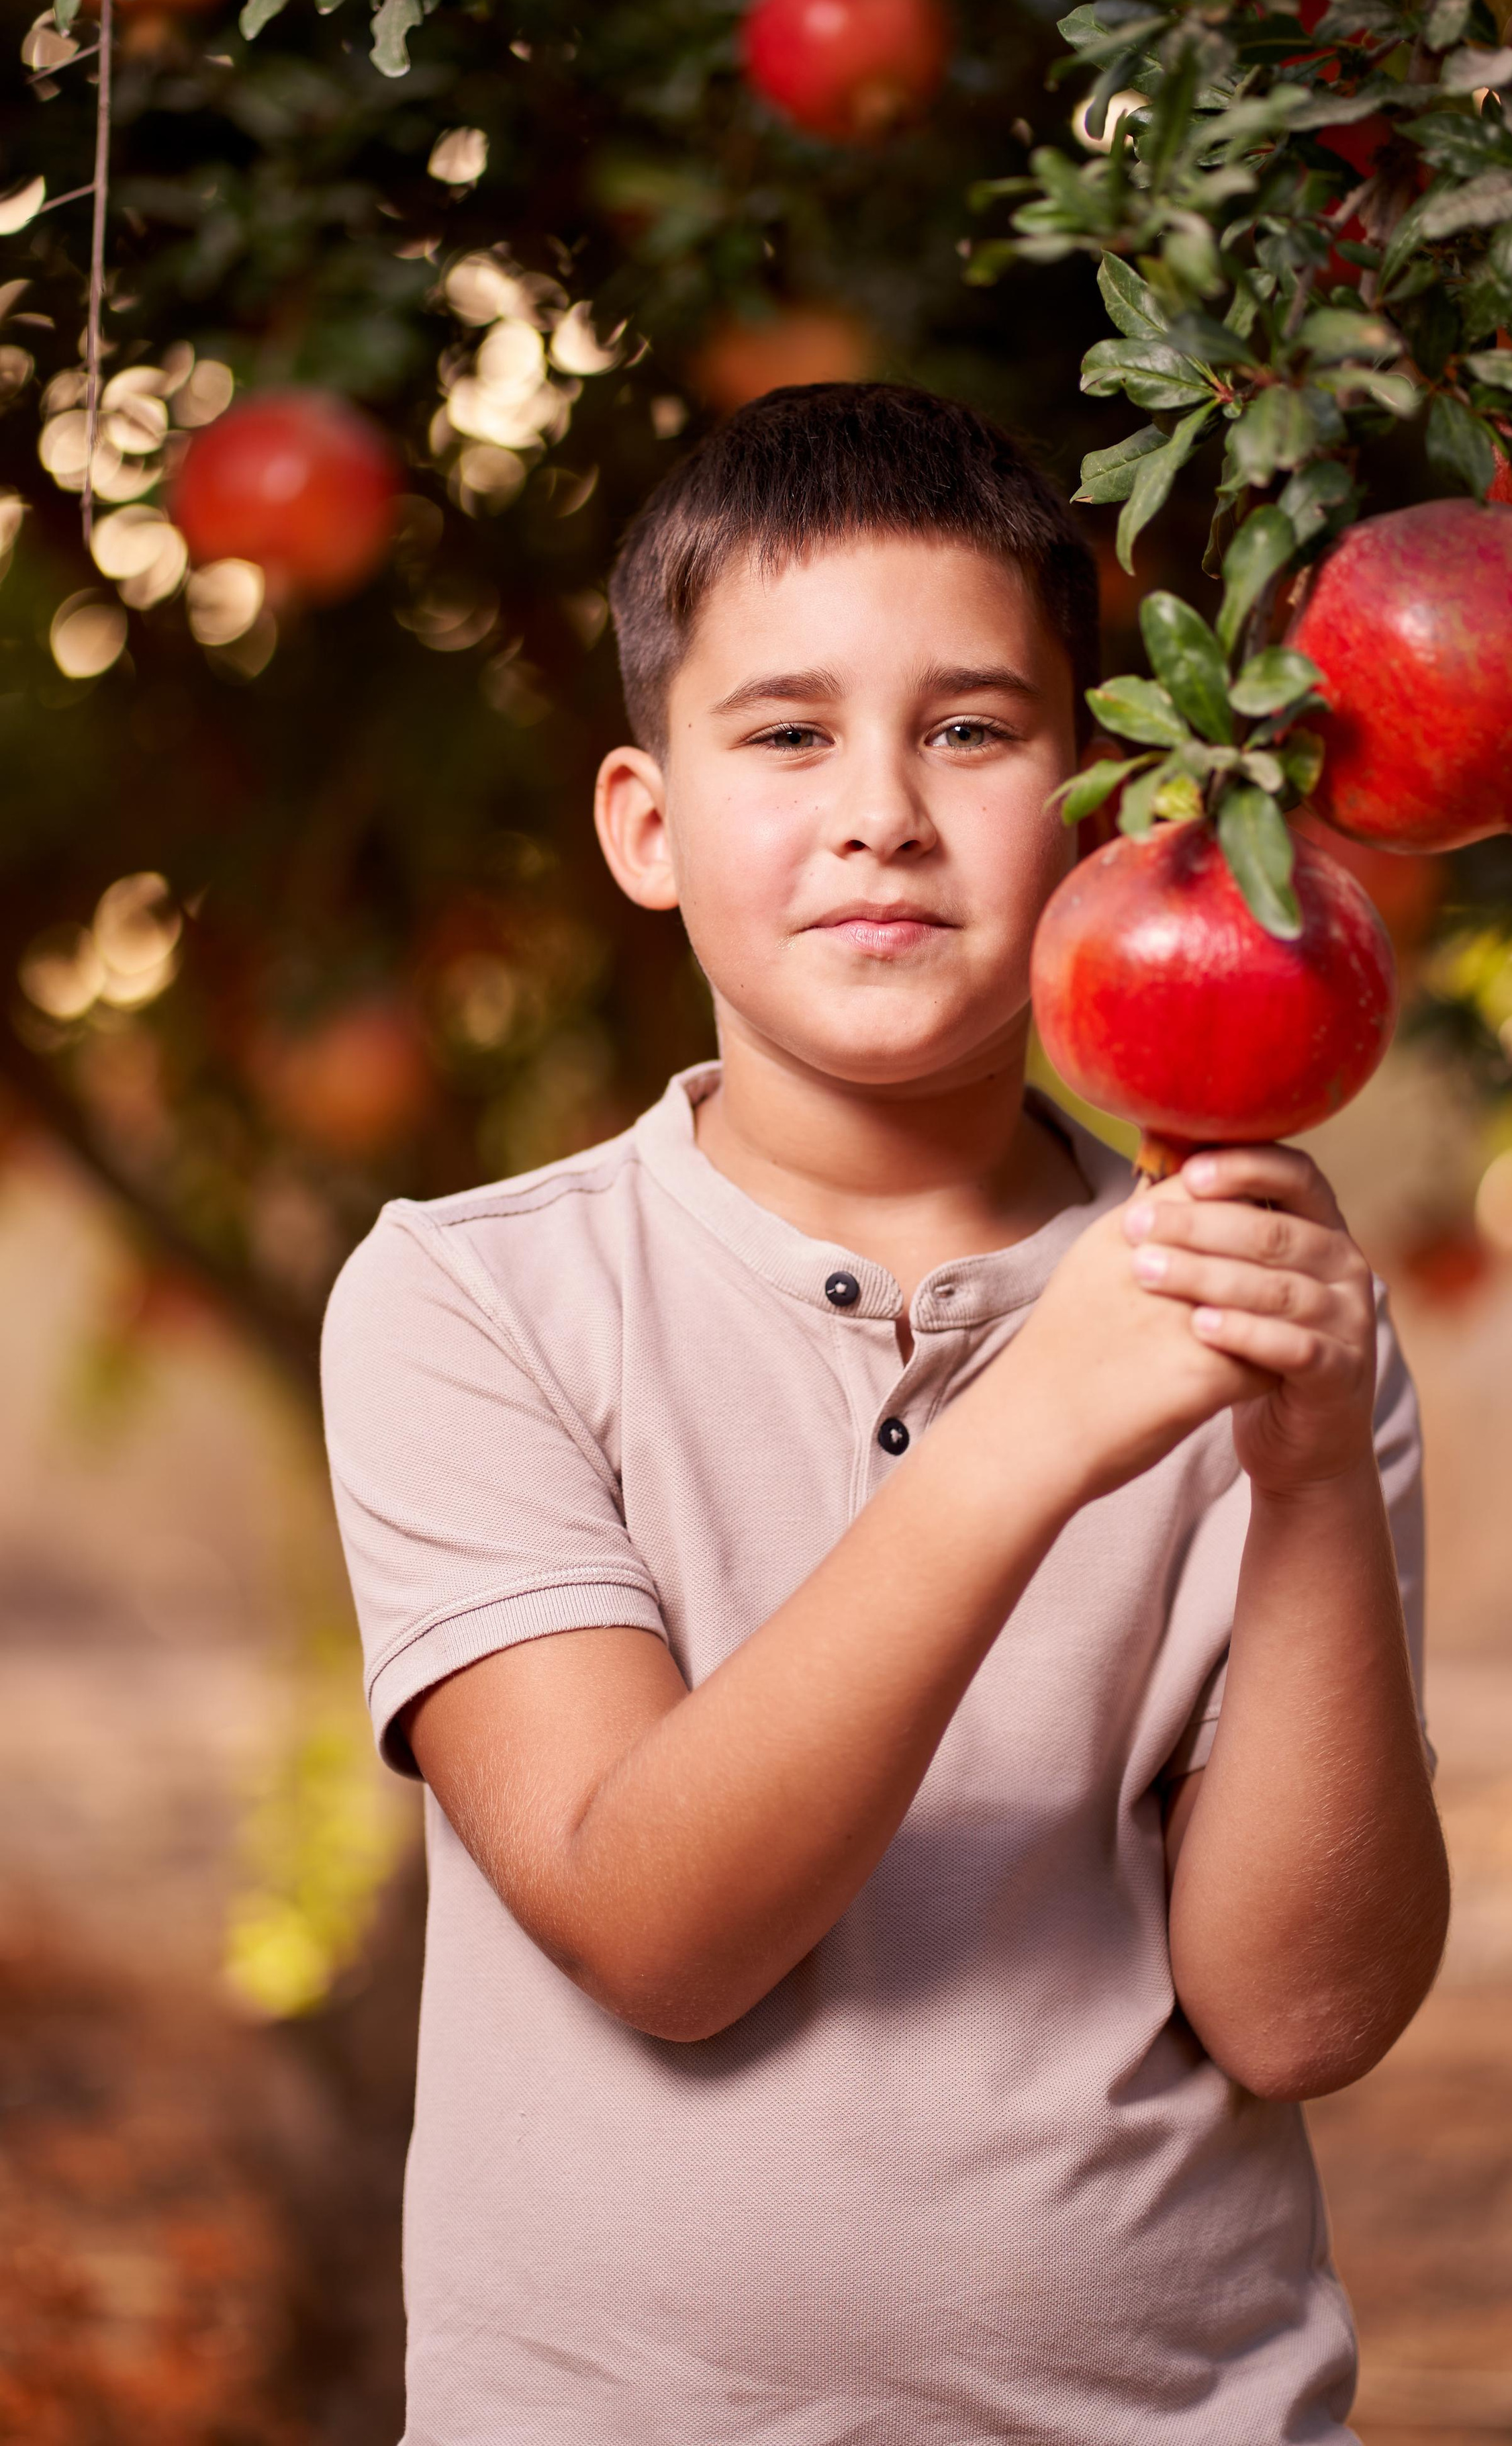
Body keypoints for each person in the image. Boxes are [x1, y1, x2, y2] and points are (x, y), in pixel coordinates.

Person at [322, 382, 1448, 2445]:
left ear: (1103, 804)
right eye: (786, 732)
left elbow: (1298, 2014)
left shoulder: (1255, 1320)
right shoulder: (470, 1297)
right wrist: (1040, 1423)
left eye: (970, 728)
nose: (882, 814)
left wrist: (1299, 1471)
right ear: (647, 830)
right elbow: (653, 1928)